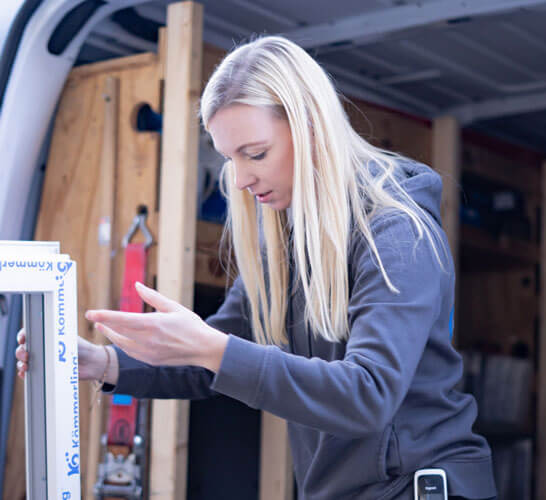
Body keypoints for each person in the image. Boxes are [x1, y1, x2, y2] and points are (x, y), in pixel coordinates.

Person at [16, 35, 497, 500]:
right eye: (230, 159)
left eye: (256, 154)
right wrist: (102, 363)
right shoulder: (283, 247)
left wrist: (215, 348)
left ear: (311, 128)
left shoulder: (396, 233)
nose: (242, 179)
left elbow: (367, 394)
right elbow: (211, 363)